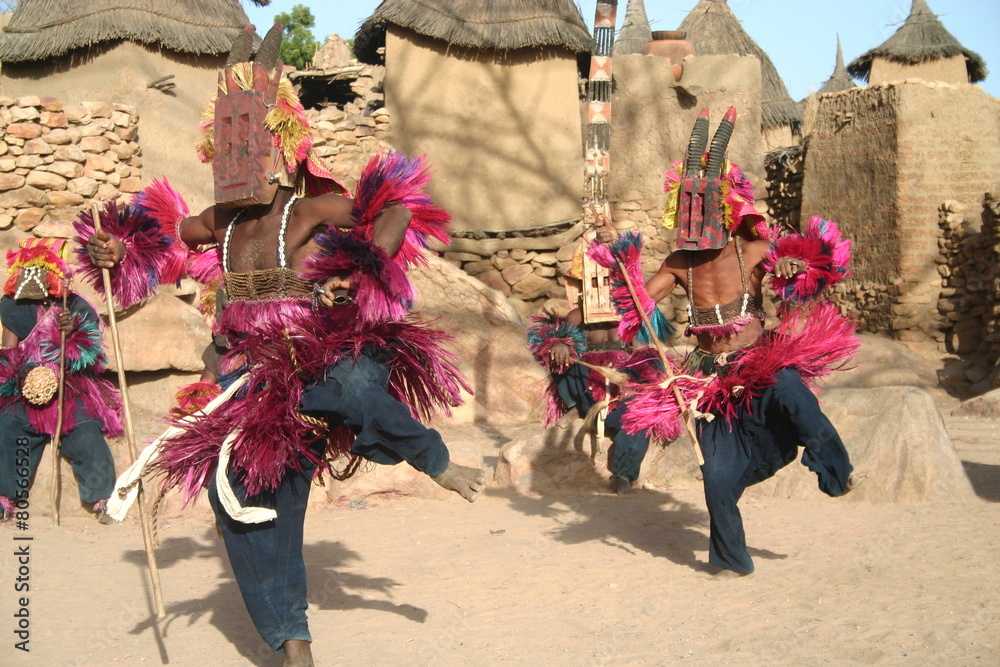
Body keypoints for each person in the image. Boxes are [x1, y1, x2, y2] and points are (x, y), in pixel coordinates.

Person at [79, 24, 484, 667]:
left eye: (249, 141)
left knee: (355, 385)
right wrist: (117, 247)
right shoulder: (221, 220)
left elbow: (396, 211)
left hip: (306, 364)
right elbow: (158, 240)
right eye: (228, 142)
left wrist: (367, 254)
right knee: (241, 503)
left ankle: (434, 461)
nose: (235, 155)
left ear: (280, 146)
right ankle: (289, 638)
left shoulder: (312, 209)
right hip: (240, 383)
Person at [590, 107, 860, 576]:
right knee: (715, 480)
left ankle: (834, 470)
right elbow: (638, 299)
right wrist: (618, 253)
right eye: (688, 209)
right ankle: (733, 562)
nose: (694, 220)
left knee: (798, 402)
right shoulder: (678, 262)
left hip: (762, 359)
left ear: (724, 207)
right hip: (710, 377)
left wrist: (794, 268)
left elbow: (802, 266)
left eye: (705, 207)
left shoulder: (751, 249)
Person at [0, 238, 121, 521]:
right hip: (24, 388)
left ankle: (101, 498)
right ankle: (5, 496)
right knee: (8, 427)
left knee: (86, 434)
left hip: (71, 388)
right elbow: (8, 351)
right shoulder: (13, 306)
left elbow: (91, 357)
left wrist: (70, 334)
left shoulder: (76, 306)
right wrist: (18, 379)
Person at [527, 301, 656, 495]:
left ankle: (622, 476)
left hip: (620, 401)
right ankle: (576, 405)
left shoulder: (630, 316)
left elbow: (645, 360)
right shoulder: (580, 314)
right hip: (587, 395)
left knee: (640, 423)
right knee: (556, 351)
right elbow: (546, 337)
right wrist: (559, 342)